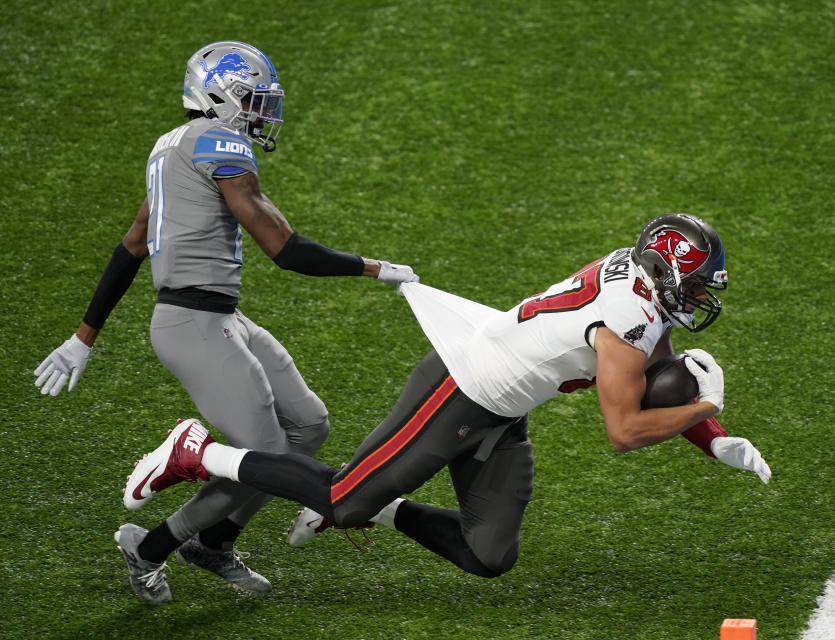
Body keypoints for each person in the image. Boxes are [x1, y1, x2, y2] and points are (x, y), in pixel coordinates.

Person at [122, 213, 770, 584]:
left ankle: (385, 507)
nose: (698, 300)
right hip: (460, 388)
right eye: (695, 286)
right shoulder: (630, 319)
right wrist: (703, 410)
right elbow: (625, 429)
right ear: (665, 274)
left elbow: (655, 372)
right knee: (342, 500)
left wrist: (714, 440)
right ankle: (198, 452)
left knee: (489, 554)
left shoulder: (635, 286)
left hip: (503, 407)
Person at [33, 41, 418, 605]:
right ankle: (150, 547)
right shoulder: (219, 142)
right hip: (192, 323)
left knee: (308, 427)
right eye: (254, 101)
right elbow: (283, 249)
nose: (263, 113)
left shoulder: (171, 148)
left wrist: (83, 336)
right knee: (267, 458)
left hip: (219, 316)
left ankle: (214, 542)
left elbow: (132, 245)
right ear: (219, 96)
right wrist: (372, 268)